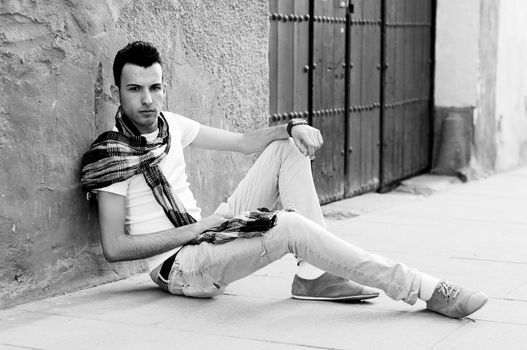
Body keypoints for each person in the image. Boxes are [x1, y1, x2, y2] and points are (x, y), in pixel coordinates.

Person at [81, 41, 487, 319]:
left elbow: (243, 143)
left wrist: (291, 127)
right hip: (181, 267)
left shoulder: (172, 125)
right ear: (118, 91)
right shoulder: (110, 155)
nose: (147, 100)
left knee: (286, 146)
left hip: (206, 236)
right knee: (290, 225)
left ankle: (312, 274)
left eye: (155, 88)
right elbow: (115, 248)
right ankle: (422, 287)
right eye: (135, 89)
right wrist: (199, 229)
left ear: (164, 88)